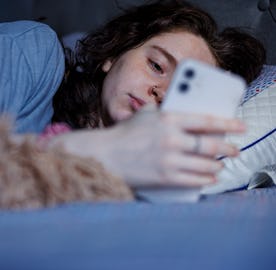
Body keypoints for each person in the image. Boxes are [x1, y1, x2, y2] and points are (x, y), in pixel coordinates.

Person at [0, 0, 266, 190]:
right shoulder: (33, 51)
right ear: (113, 55)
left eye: (182, 90)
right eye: (157, 66)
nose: (160, 92)